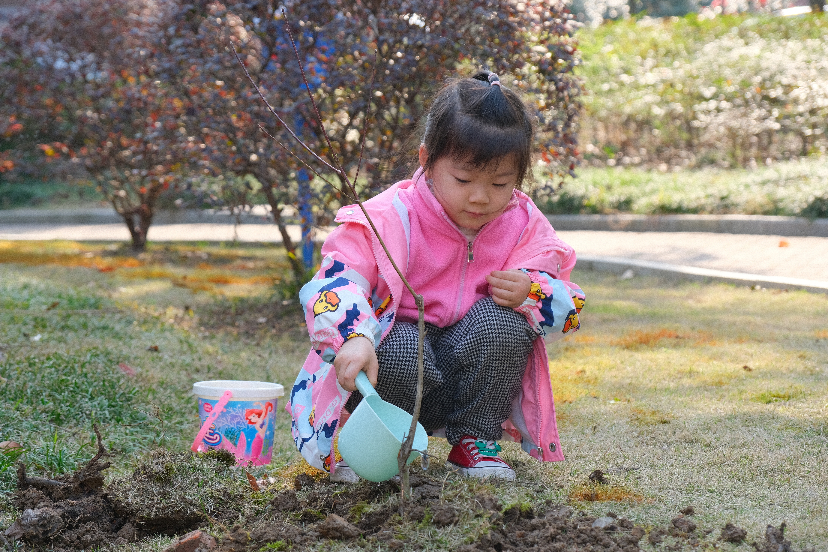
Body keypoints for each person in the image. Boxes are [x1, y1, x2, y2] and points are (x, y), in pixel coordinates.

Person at [287, 70, 585, 483]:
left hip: (470, 373)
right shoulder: (390, 217)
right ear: (427, 160)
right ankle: (387, 443)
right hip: (394, 373)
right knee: (399, 342)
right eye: (463, 180)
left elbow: (570, 308)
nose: (480, 197)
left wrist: (534, 291)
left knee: (504, 323)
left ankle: (474, 441)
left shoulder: (522, 223)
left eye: (500, 183)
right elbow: (335, 283)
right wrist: (353, 336)